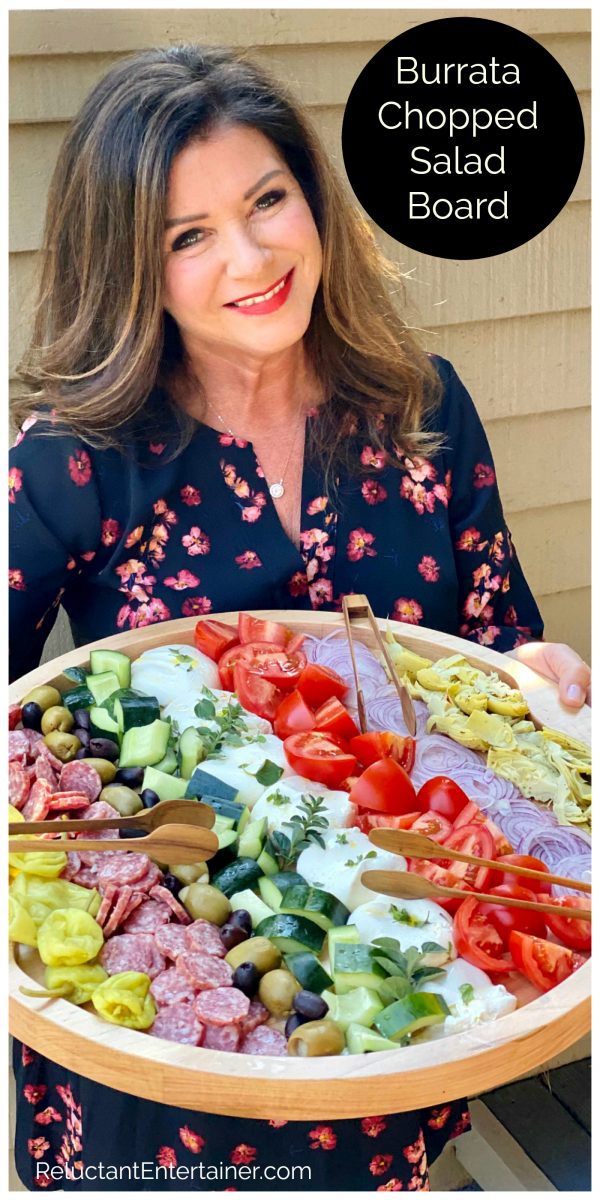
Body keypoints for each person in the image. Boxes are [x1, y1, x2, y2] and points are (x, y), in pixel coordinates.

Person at [9, 44, 590, 1192]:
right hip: (172, 1048)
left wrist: (542, 671)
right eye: (188, 235)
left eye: (268, 199)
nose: (251, 255)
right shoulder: (74, 461)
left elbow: (491, 633)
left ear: (313, 199)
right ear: (131, 266)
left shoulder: (421, 403)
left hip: (394, 991)